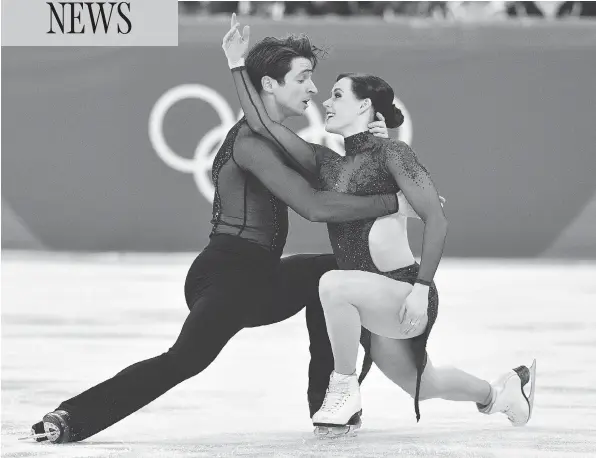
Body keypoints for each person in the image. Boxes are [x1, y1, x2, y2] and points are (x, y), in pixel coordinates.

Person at [24, 23, 409, 445]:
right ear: (268, 83)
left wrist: (378, 146)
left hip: (262, 277)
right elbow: (316, 207)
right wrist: (395, 203)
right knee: (185, 360)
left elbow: (345, 178)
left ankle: (332, 402)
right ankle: (69, 417)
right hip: (226, 274)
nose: (313, 89)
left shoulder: (280, 140)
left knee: (339, 278)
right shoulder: (249, 144)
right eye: (302, 78)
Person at [223, 16, 537, 437]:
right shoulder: (325, 163)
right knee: (424, 384)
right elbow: (263, 126)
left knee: (331, 283)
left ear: (364, 106)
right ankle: (501, 393)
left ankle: (343, 384)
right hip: (368, 296)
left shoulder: (394, 154)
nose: (325, 102)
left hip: (405, 290)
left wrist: (422, 289)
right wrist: (236, 63)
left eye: (336, 95)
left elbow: (437, 220)